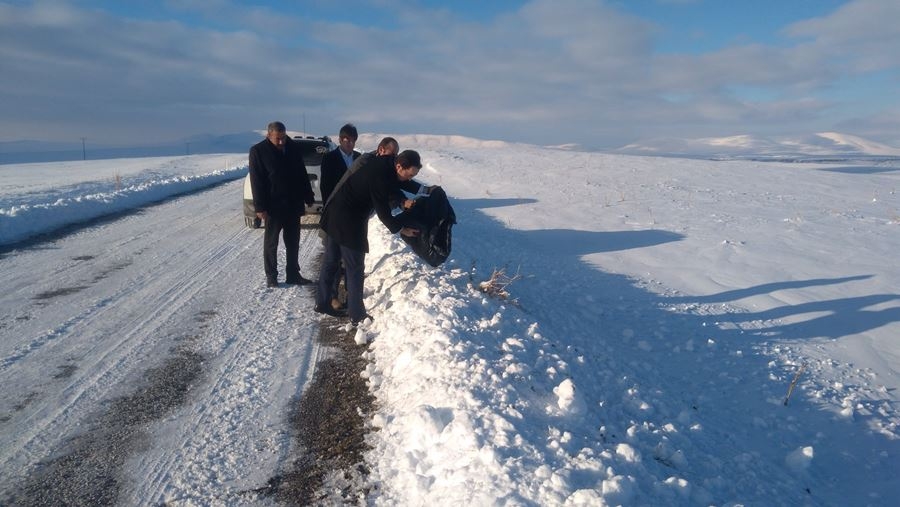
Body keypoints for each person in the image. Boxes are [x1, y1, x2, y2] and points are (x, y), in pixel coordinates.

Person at [315, 150, 423, 325]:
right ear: (399, 166)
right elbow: (383, 213)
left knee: (331, 261)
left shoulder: (387, 162)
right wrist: (401, 228)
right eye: (409, 174)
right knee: (355, 267)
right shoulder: (380, 176)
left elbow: (397, 183)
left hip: (335, 212)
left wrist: (422, 189)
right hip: (349, 220)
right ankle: (357, 315)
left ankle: (322, 301)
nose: (409, 179)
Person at [248, 121, 316, 288]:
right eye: (277, 139)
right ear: (268, 136)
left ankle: (293, 274)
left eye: (283, 137)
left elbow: (301, 172)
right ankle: (271, 276)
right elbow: (256, 181)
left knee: (293, 241)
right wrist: (260, 207)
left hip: (293, 203)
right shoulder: (258, 151)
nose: (281, 142)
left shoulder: (292, 147)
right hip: (273, 206)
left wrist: (308, 195)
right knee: (271, 243)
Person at [319, 123, 361, 205]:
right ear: (340, 140)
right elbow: (325, 185)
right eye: (348, 140)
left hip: (355, 205)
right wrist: (328, 206)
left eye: (353, 140)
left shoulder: (358, 157)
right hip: (337, 204)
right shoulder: (329, 158)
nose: (350, 143)